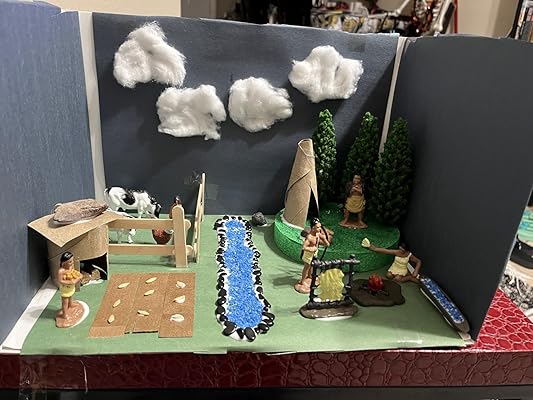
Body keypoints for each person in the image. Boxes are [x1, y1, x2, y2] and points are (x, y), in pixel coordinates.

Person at [295, 218, 330, 293]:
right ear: (313, 227)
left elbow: (324, 240)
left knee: (312, 265)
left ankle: (310, 276)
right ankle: (303, 281)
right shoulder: (309, 237)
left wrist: (325, 241)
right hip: (308, 254)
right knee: (306, 267)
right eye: (318, 227)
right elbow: (304, 247)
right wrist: (311, 249)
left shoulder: (318, 234)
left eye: (320, 227)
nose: (320, 229)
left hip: (314, 253)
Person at [57, 251, 82, 319]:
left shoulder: (71, 266)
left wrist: (78, 275)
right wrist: (70, 282)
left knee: (71, 296)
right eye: (70, 262)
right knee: (65, 302)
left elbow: (73, 272)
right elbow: (60, 281)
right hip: (65, 289)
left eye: (72, 261)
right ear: (63, 262)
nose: (72, 263)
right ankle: (64, 314)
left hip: (71, 287)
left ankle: (70, 304)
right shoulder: (61, 271)